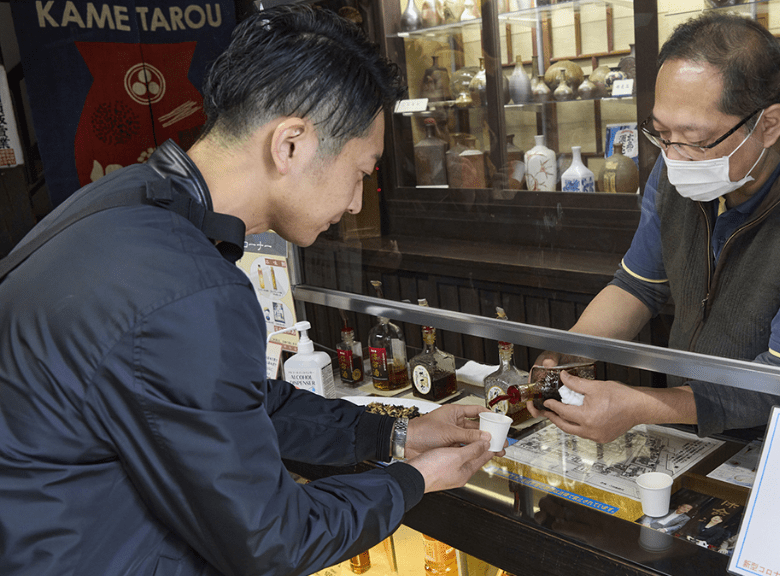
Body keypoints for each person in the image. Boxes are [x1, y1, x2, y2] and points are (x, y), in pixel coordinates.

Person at [0, 6, 497, 576]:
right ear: (290, 145)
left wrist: (392, 433)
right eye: (362, 171)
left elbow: (223, 401)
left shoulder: (125, 201)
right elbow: (274, 543)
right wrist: (413, 480)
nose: (358, 203)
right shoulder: (190, 288)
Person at [528, 12, 780, 442]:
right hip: (695, 423)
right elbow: (639, 286)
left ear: (768, 125)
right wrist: (568, 351)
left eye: (695, 138)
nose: (673, 156)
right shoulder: (679, 166)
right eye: (661, 133)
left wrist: (639, 406)